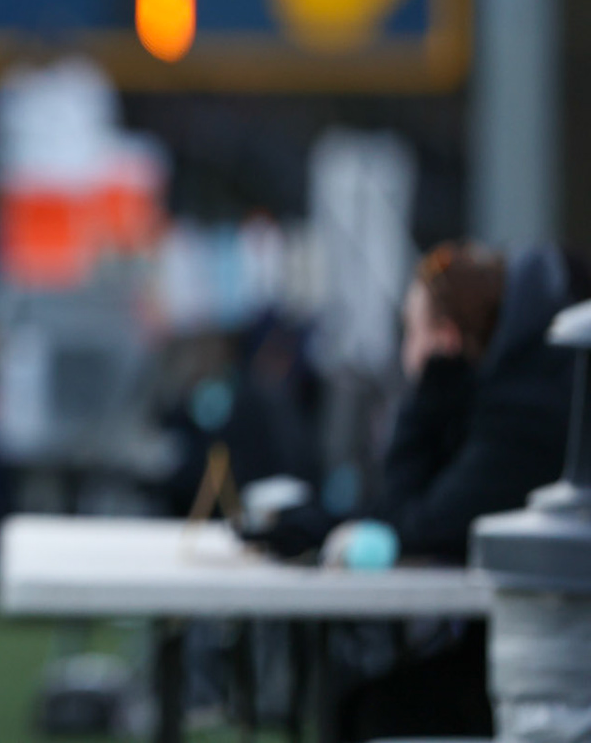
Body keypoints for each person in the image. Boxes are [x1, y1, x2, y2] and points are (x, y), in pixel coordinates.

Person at [248, 241, 587, 740]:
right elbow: (411, 513)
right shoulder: (513, 388)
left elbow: (428, 522)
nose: (404, 347)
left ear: (446, 340)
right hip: (532, 657)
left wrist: (427, 394)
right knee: (368, 700)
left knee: (375, 710)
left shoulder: (524, 409)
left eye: (411, 330)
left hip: (551, 675)